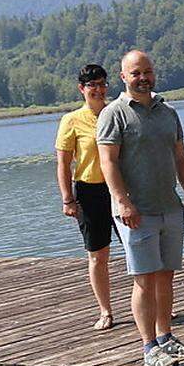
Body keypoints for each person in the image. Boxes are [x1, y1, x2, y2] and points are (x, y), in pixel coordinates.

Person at [97, 50, 184, 366]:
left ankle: (166, 336)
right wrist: (122, 201)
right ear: (123, 76)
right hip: (136, 212)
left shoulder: (168, 112)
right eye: (136, 73)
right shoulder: (113, 114)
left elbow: (181, 157)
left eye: (148, 72)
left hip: (169, 206)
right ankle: (148, 347)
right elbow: (108, 162)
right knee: (143, 279)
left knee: (166, 275)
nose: (143, 78)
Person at [55, 64, 116, 330]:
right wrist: (68, 199)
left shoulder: (117, 112)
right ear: (82, 88)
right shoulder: (72, 120)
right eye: (92, 85)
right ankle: (105, 311)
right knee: (97, 255)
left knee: (140, 249)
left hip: (121, 190)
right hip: (90, 192)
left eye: (102, 84)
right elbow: (63, 164)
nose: (99, 90)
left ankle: (154, 306)